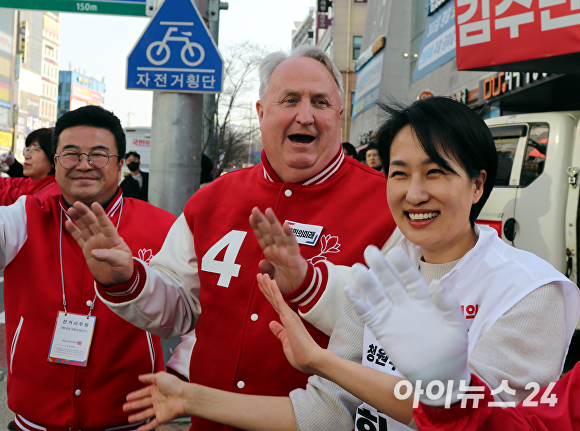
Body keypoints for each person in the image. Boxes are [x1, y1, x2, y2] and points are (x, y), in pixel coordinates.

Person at [121, 97, 579, 431]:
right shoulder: (384, 276)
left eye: (435, 172)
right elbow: (329, 411)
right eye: (399, 174)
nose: (413, 193)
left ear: (478, 185)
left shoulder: (530, 291)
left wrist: (324, 361)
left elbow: (484, 422)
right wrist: (190, 397)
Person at [65, 46, 400, 430]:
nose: (305, 115)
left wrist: (309, 286)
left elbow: (389, 331)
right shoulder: (212, 199)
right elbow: (178, 307)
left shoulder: (387, 205)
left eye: (320, 102)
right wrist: (127, 279)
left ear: (339, 117)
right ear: (261, 113)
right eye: (289, 99)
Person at [2, 105, 176, 431]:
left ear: (122, 164)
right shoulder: (23, 217)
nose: (84, 165)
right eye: (70, 154)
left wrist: (179, 377)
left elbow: (200, 314)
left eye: (99, 155)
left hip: (131, 420)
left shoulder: (163, 227)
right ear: (55, 164)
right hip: (34, 422)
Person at [0, 128, 60, 205]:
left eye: (34, 149)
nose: (26, 155)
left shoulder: (52, 197)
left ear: (53, 158)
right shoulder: (30, 182)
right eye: (27, 150)